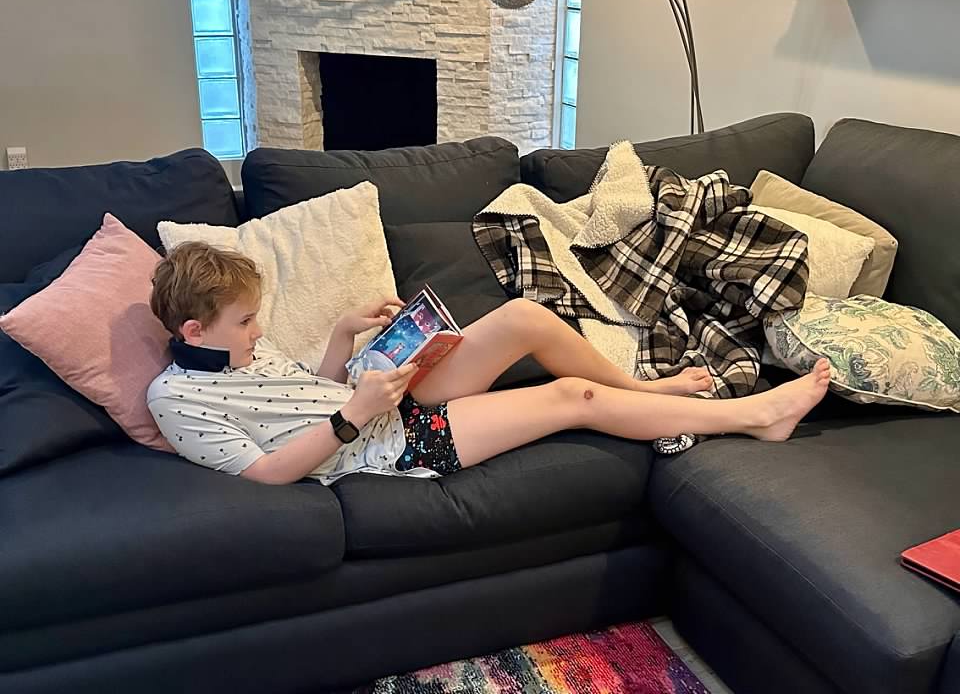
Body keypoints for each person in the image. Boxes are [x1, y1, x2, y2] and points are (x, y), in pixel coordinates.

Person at [147, 242, 831, 486]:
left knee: (525, 316)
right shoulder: (176, 400)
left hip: (378, 395)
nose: (260, 330)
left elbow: (309, 395)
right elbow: (266, 474)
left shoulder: (240, 347)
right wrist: (355, 416)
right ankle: (754, 415)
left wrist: (341, 338)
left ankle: (643, 387)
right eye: (246, 322)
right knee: (570, 398)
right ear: (193, 330)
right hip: (388, 443)